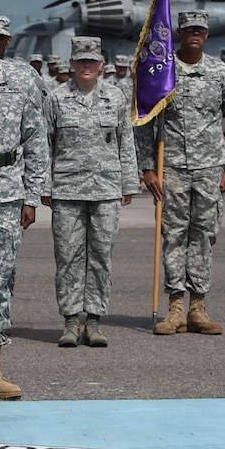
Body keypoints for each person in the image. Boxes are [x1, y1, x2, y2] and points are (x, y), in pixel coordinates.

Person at [137, 10, 225, 336]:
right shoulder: (162, 71)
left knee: (203, 236)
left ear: (207, 35)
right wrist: (147, 167)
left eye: (200, 30)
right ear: (179, 33)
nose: (194, 35)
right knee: (173, 236)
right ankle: (175, 308)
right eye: (188, 30)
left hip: (210, 168)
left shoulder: (220, 73)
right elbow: (146, 120)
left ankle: (198, 306)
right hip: (171, 167)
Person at [0, 5, 47, 397]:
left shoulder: (23, 77)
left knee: (0, 281)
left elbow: (35, 138)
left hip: (6, 193)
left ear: (2, 36)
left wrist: (32, 195)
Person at [42, 36, 138, 347]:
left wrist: (128, 184)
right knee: (68, 256)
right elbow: (45, 145)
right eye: (80, 60)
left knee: (101, 256)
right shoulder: (56, 99)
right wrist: (44, 186)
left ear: (100, 65)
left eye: (91, 61)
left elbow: (126, 143)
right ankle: (70, 321)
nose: (86, 65)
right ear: (71, 63)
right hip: (67, 190)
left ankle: (94, 321)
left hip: (106, 189)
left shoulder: (115, 98)